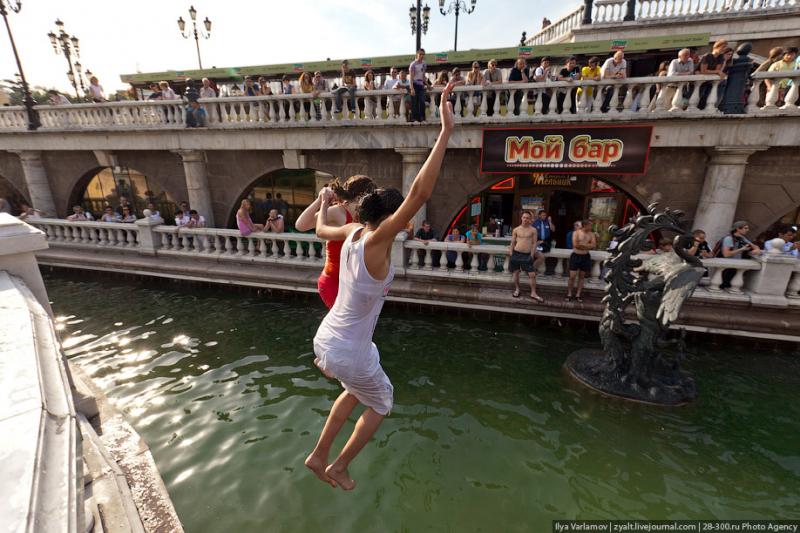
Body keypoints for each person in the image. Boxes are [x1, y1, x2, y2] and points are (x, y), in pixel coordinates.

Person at [305, 83, 456, 491]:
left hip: (327, 341)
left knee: (356, 390)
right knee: (382, 401)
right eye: (400, 217)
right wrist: (445, 131)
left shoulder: (352, 231)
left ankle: (319, 454)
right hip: (348, 350)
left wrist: (323, 206)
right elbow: (421, 192)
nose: (408, 221)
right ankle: (338, 465)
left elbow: (320, 229)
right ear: (388, 218)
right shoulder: (376, 239)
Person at [295, 175, 377, 308]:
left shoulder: (364, 215)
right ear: (361, 197)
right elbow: (300, 225)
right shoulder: (338, 212)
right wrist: (320, 201)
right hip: (333, 281)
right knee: (346, 325)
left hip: (353, 282)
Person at [509, 211, 543, 302]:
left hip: (527, 254)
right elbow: (512, 242)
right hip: (516, 253)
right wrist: (511, 252)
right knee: (515, 273)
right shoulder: (516, 229)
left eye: (527, 218)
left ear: (530, 219)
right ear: (521, 218)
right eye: (524, 217)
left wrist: (532, 255)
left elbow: (534, 243)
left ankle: (533, 293)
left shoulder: (533, 230)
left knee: (532, 274)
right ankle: (517, 289)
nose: (525, 219)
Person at [718, 220, 761, 289]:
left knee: (730, 286)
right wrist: (741, 249)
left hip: (736, 265)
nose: (748, 230)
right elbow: (726, 254)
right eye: (745, 228)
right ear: (738, 229)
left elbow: (756, 247)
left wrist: (752, 251)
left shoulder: (742, 238)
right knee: (723, 286)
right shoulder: (728, 239)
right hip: (727, 267)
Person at [566, 219, 597, 303]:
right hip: (576, 255)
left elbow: (594, 245)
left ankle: (578, 295)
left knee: (582, 276)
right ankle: (569, 293)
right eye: (590, 225)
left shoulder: (591, 234)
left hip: (585, 256)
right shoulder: (576, 233)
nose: (591, 227)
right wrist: (587, 245)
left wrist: (582, 245)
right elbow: (576, 245)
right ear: (585, 225)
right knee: (572, 276)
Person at [409, 48, 428, 122]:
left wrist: (428, 85)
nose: (422, 56)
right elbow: (411, 77)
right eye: (420, 54)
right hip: (414, 84)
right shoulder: (413, 64)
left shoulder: (424, 64)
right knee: (414, 103)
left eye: (423, 54)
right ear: (417, 55)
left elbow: (423, 76)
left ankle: (422, 117)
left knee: (422, 101)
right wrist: (412, 88)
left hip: (421, 85)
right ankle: (414, 118)